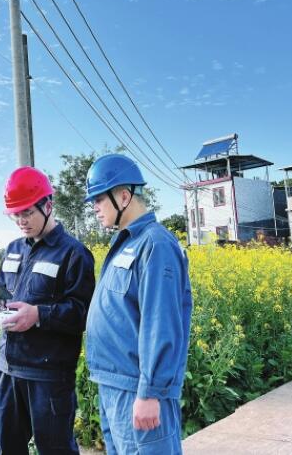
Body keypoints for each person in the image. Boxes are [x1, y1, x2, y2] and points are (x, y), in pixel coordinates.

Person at [83, 154, 192, 454]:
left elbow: (162, 321)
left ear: (123, 195)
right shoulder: (126, 243)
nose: (94, 207)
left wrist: (150, 391)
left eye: (99, 199)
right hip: (114, 384)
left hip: (138, 390)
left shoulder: (155, 245)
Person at [0, 166, 95, 455]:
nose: (21, 221)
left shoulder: (74, 253)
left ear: (48, 205)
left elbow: (82, 313)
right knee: (7, 448)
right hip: (7, 370)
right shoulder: (12, 249)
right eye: (16, 214)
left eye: (27, 212)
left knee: (55, 450)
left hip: (48, 377)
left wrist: (38, 315)